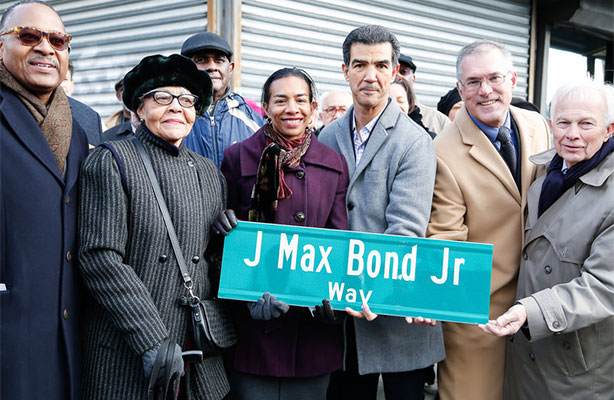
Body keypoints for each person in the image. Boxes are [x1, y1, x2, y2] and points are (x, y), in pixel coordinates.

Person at [78, 54, 230, 399]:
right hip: (133, 349)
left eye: (188, 100)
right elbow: (100, 258)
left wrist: (235, 252)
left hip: (197, 352)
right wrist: (151, 340)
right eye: (163, 97)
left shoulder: (209, 173)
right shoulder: (111, 160)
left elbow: (210, 259)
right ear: (139, 108)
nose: (177, 107)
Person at [319, 25, 444, 400]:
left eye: (380, 65)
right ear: (345, 71)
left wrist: (366, 286)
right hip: (342, 316)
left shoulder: (414, 141)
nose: (369, 75)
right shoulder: (327, 136)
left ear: (394, 72)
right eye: (359, 65)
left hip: (394, 311)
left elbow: (406, 228)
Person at [214, 66, 349, 400]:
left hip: (312, 334)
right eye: (281, 100)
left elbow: (338, 241)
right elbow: (222, 244)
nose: (292, 109)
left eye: (301, 100)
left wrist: (333, 305)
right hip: (254, 330)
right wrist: (221, 225)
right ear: (266, 106)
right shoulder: (238, 156)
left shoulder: (333, 162)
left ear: (313, 107)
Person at [427, 40, 550, 400]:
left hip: (540, 304)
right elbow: (445, 239)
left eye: (495, 78)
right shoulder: (441, 151)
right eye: (474, 81)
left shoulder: (537, 124)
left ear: (512, 79)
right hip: (481, 316)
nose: (486, 90)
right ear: (460, 88)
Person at [480, 80, 614, 399]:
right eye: (564, 122)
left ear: (609, 129)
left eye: (586, 124)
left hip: (575, 366)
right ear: (550, 124)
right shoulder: (541, 171)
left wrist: (531, 311)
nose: (572, 134)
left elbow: (604, 287)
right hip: (523, 355)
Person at [0, 1, 89, 399]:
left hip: (72, 338)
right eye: (29, 36)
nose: (46, 48)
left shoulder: (84, 124)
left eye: (57, 40)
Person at [181, 31, 263, 167]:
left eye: (219, 61)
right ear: (185, 68)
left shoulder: (254, 121)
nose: (212, 67)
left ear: (230, 69)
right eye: (201, 60)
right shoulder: (172, 117)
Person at [397, 53, 451, 134]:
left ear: (413, 79)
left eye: (403, 72)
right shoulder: (373, 116)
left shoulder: (438, 121)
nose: (397, 76)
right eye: (393, 71)